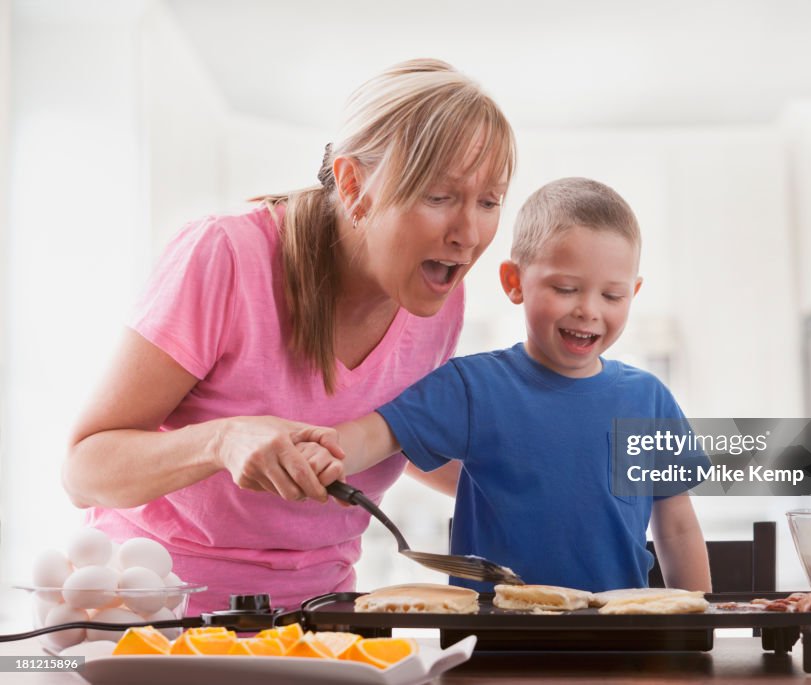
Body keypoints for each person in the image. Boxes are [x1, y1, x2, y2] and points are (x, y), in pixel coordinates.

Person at [61, 58, 516, 614]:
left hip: (318, 617)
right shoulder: (226, 257)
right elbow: (84, 470)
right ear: (354, 185)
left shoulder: (439, 301)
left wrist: (548, 481)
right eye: (440, 197)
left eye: (489, 202)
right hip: (155, 614)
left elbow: (395, 433)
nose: (469, 234)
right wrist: (220, 441)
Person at [331, 177, 712, 593]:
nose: (588, 310)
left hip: (616, 635)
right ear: (514, 282)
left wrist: (695, 627)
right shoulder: (472, 386)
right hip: (495, 640)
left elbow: (676, 529)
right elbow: (378, 433)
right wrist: (315, 452)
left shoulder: (648, 399)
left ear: (634, 294)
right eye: (565, 289)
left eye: (613, 296)